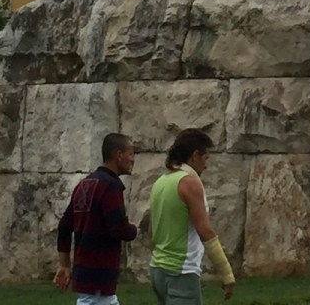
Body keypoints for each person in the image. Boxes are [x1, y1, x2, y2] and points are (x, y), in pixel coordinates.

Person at [148, 128, 235, 304]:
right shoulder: (189, 182)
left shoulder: (161, 182)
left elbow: (153, 230)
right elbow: (205, 230)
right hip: (181, 271)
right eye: (205, 158)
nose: (206, 165)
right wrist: (227, 274)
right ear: (195, 155)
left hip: (157, 268)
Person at [55, 132, 138, 305]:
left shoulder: (84, 184)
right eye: (130, 154)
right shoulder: (110, 186)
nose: (133, 159)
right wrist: (134, 230)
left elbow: (64, 226)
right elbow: (117, 228)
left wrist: (64, 265)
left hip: (84, 271)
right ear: (118, 155)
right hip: (100, 271)